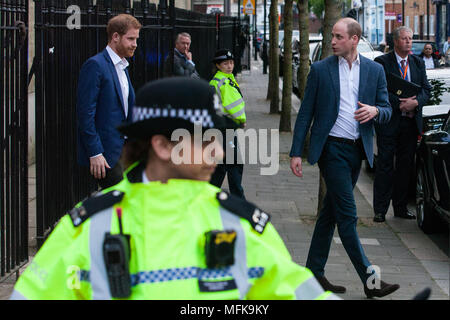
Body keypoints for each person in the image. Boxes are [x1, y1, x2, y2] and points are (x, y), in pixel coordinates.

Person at [10, 78, 339, 300]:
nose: (220, 151)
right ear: (164, 146)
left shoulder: (239, 223)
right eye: (207, 140)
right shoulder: (89, 227)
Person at [289, 18, 399, 298]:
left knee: (330, 213)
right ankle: (370, 280)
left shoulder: (374, 71)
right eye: (333, 37)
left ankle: (313, 273)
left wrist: (375, 111)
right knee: (348, 215)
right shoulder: (320, 70)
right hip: (331, 150)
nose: (333, 41)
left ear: (354, 39)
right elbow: (305, 113)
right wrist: (295, 152)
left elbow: (387, 110)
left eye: (338, 36)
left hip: (356, 151)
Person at [373, 27, 431, 223]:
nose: (408, 42)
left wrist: (416, 103)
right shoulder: (382, 62)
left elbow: (426, 90)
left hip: (410, 123)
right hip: (390, 122)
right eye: (405, 39)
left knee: (405, 166)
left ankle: (400, 207)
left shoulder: (417, 63)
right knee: (385, 165)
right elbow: (378, 91)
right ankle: (380, 210)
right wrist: (399, 104)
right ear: (396, 41)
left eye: (410, 39)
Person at [76, 14, 141, 189]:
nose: (135, 44)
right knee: (123, 202)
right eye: (131, 39)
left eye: (136, 39)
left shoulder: (123, 65)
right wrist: (95, 152)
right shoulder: (95, 65)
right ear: (115, 37)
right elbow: (85, 113)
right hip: (106, 155)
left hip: (125, 151)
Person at [209, 49, 246, 199]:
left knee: (221, 166)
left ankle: (208, 195)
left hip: (230, 127)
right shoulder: (218, 82)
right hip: (225, 129)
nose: (229, 66)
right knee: (234, 164)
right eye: (225, 63)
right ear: (218, 65)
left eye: (231, 62)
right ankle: (238, 198)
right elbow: (222, 108)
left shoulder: (228, 78)